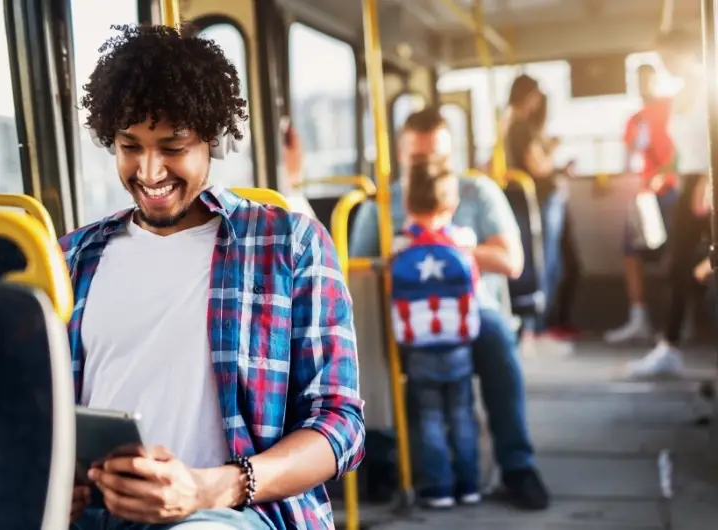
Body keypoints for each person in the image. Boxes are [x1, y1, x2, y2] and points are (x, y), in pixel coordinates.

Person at [61, 23, 365, 530]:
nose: (150, 171)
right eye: (130, 146)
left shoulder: (289, 245)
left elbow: (341, 425)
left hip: (232, 511)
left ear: (211, 139)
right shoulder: (73, 256)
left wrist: (214, 485)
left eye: (173, 146)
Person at [350, 108, 551, 511]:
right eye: (418, 159)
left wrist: (445, 251)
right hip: (405, 311)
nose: (427, 167)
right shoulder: (380, 203)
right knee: (365, 341)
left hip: (471, 307)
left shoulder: (476, 192)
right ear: (402, 156)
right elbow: (358, 273)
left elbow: (511, 261)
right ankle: (382, 455)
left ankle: (517, 464)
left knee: (495, 337)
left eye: (437, 158)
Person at [390, 156, 482, 509]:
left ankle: (439, 488)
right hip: (458, 345)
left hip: (419, 348)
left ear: (408, 203)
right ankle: (469, 485)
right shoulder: (462, 241)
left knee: (428, 416)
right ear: (452, 203)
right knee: (461, 414)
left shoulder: (401, 246)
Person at [605, 64, 680, 345]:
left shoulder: (671, 109)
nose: (643, 85)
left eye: (647, 80)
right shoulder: (634, 120)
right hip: (644, 194)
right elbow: (629, 156)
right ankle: (639, 317)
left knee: (677, 252)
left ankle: (682, 318)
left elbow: (683, 149)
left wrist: (665, 175)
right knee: (631, 250)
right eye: (638, 81)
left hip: (671, 190)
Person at [503, 79, 574, 354]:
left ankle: (536, 326)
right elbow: (539, 166)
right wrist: (554, 153)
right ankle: (536, 327)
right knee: (545, 262)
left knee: (544, 261)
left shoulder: (509, 124)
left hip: (538, 198)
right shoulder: (521, 126)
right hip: (543, 197)